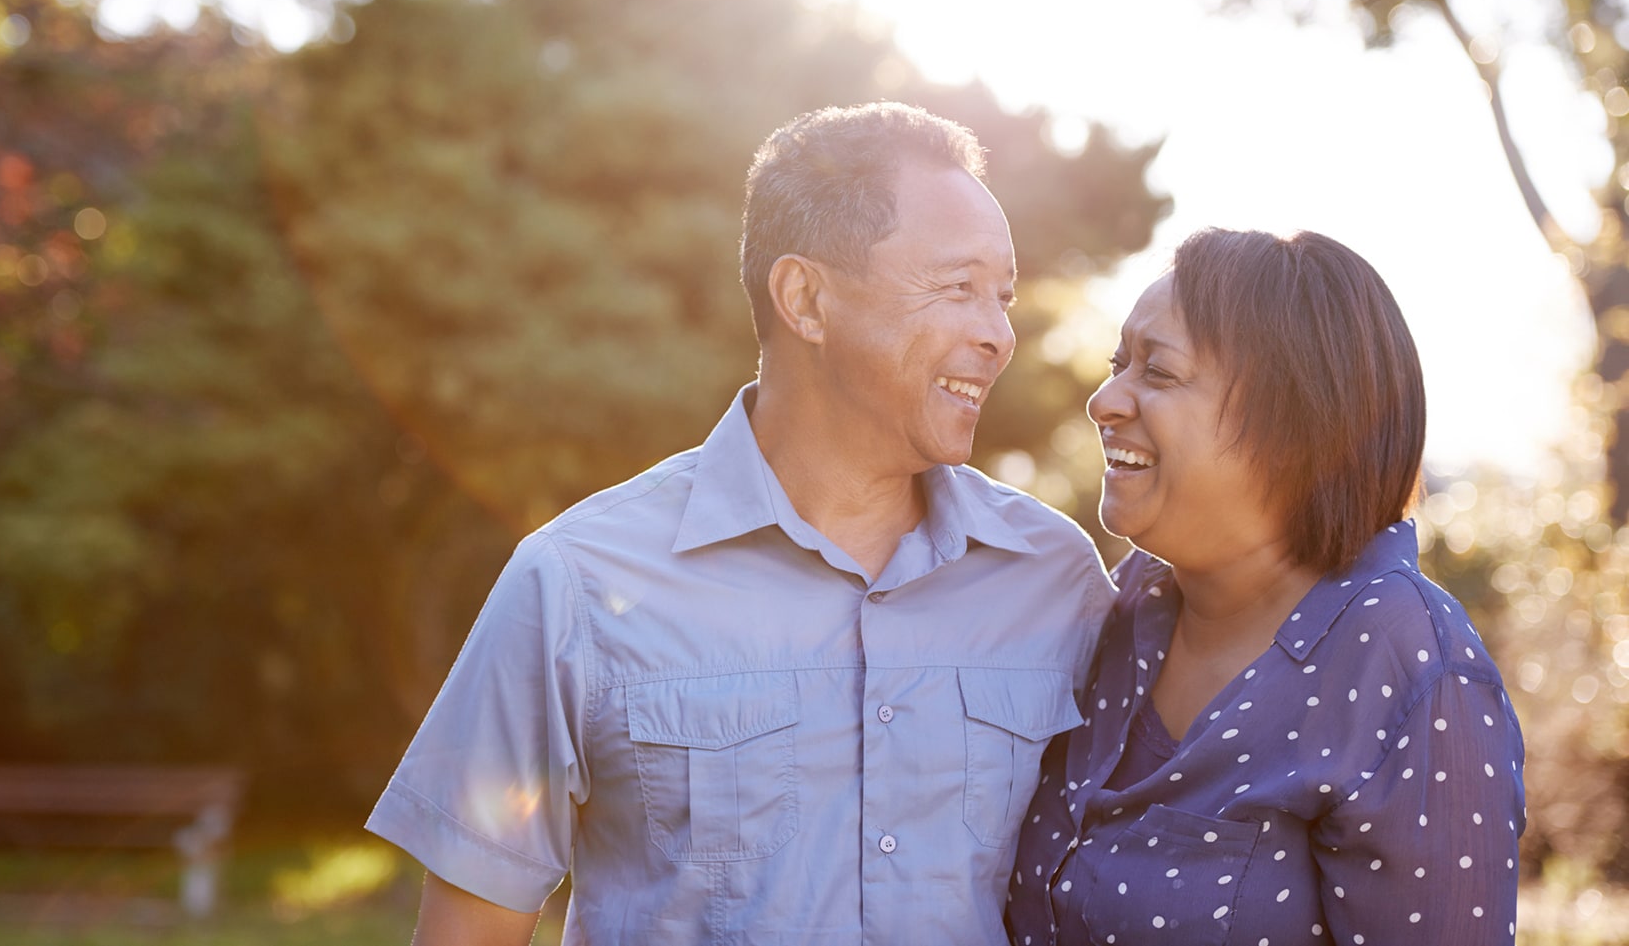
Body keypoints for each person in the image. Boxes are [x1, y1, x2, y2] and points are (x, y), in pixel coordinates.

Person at [368, 102, 1114, 945]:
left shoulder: (1058, 579)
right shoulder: (575, 582)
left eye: (1003, 297)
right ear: (806, 298)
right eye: (958, 288)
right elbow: (472, 927)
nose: (998, 334)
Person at [1007, 228, 1527, 945]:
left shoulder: (1408, 658)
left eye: (1157, 373)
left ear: (1295, 420)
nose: (1103, 400)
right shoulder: (1122, 608)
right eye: (1117, 364)